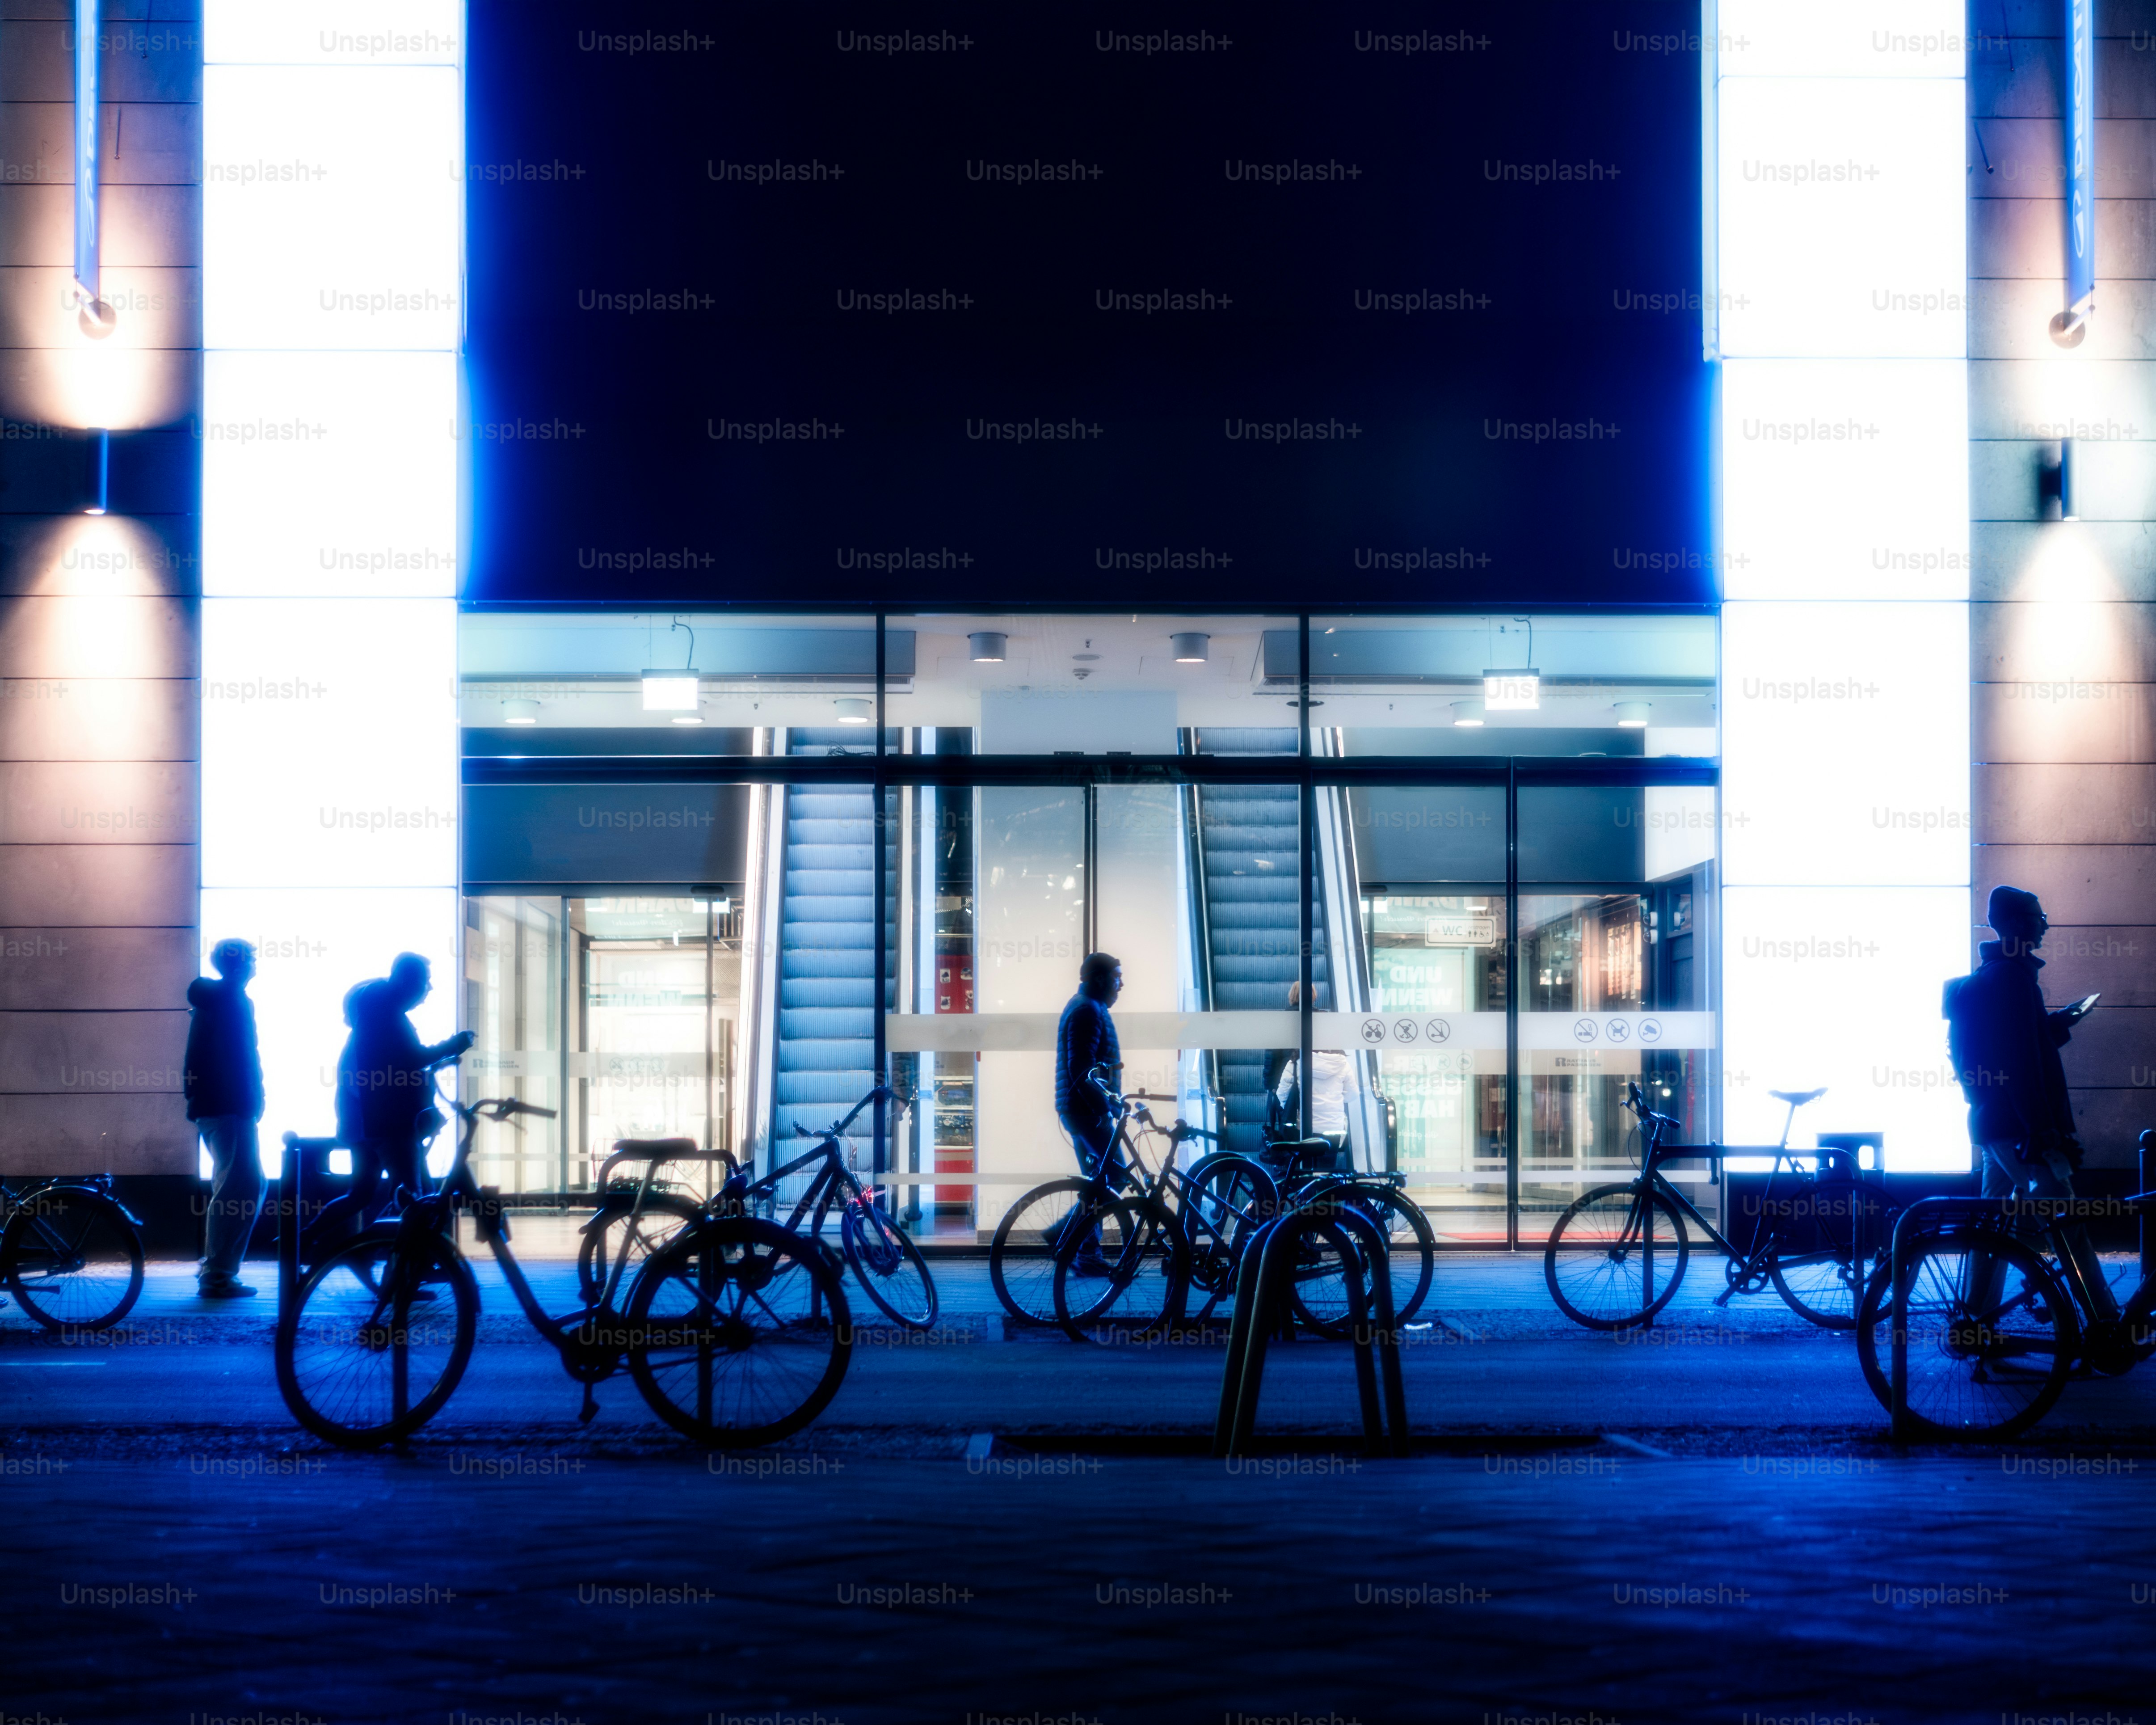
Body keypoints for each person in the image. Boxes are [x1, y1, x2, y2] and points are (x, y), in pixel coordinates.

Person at [1945, 884, 2116, 1323]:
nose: (2044, 927)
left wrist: (2058, 1023)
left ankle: (1974, 1319)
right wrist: (2044, 1131)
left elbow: (2015, 1046)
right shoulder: (2012, 979)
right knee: (2067, 1221)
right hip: (2019, 1127)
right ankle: (2106, 1321)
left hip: (1994, 1122)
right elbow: (2020, 1063)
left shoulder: (1995, 975)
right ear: (2016, 923)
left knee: (1994, 1226)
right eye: (2038, 918)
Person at [312, 953, 473, 1247]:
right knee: (418, 1197)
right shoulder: (387, 1016)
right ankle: (413, 1265)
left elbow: (394, 1065)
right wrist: (453, 1045)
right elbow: (410, 1059)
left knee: (361, 1195)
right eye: (425, 981)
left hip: (367, 1126)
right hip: (389, 1126)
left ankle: (299, 1243)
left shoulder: (374, 1016)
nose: (429, 988)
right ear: (407, 981)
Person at [183, 939, 266, 1298]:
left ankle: (217, 1268)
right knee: (239, 1187)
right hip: (230, 1106)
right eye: (251, 959)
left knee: (237, 1185)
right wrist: (252, 1100)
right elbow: (242, 1058)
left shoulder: (213, 1001)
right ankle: (217, 1273)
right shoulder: (233, 1001)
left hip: (216, 1106)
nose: (254, 964)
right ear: (240, 964)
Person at [1263, 980, 1352, 1163]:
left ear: (1292, 996)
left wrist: (1270, 1085)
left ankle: (1293, 1170)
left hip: (1288, 1085)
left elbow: (1271, 1056)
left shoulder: (1280, 1021)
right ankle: (1318, 1171)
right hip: (1318, 1083)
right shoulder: (1324, 1019)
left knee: (1290, 1131)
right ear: (1313, 996)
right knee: (1318, 1132)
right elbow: (1335, 1049)